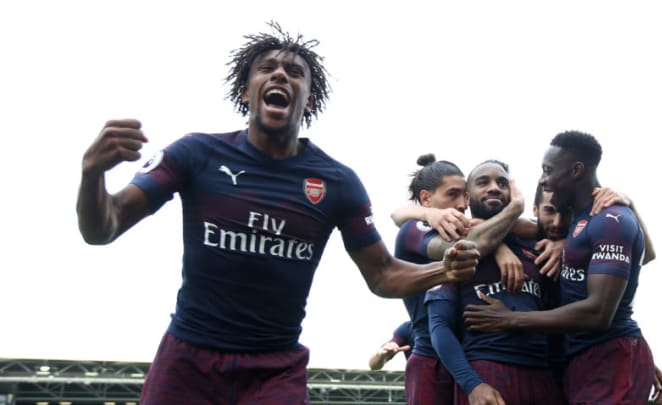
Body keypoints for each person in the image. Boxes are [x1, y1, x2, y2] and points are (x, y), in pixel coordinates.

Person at [75, 22, 480, 405]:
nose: (280, 76)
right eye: (266, 68)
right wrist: (92, 173)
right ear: (246, 91)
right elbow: (102, 229)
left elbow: (383, 274)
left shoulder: (337, 182)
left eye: (294, 72)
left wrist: (445, 270)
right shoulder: (195, 154)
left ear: (310, 98)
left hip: (274, 369)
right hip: (188, 360)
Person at [463, 131, 655, 404]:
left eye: (547, 170)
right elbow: (477, 227)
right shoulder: (571, 223)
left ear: (576, 171)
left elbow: (599, 313)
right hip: (577, 359)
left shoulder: (611, 219)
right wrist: (501, 246)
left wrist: (510, 319)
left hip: (610, 353)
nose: (543, 178)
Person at [425, 160, 566, 405]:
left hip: (543, 374)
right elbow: (439, 326)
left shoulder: (539, 245)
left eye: (502, 183)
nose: (494, 188)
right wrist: (472, 384)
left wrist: (564, 244)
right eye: (483, 182)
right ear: (467, 197)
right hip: (488, 371)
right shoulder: (452, 246)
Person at [391, 154, 523, 404]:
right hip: (432, 360)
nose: (462, 203)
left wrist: (501, 246)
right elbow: (470, 246)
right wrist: (515, 209)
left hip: (464, 359)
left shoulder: (464, 226)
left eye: (464, 195)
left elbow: (525, 229)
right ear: (426, 199)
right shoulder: (415, 229)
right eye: (452, 194)